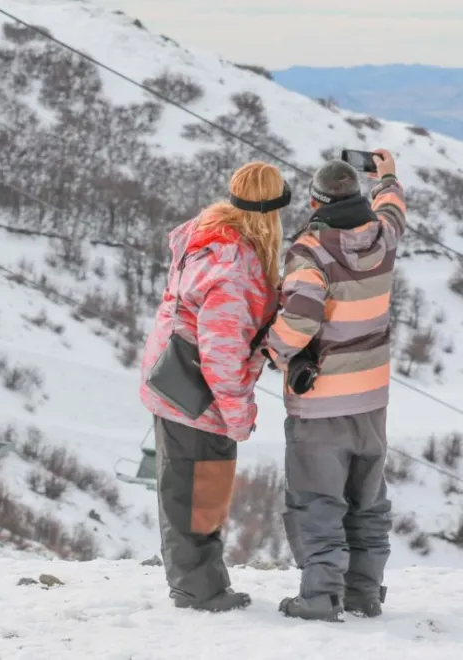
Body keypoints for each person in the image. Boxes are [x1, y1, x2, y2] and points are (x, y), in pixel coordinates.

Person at [265, 149, 406, 621]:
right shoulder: (383, 238)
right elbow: (392, 209)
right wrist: (386, 176)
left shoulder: (310, 253)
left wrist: (274, 350)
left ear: (314, 201)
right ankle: (363, 594)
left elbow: (301, 318)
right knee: (366, 501)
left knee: (317, 503)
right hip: (372, 400)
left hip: (321, 403)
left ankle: (321, 598)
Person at [139, 161, 284, 613]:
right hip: (199, 395)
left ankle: (204, 583)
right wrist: (239, 416)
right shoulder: (234, 265)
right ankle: (197, 590)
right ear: (270, 212)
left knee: (196, 488)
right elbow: (220, 353)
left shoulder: (207, 234)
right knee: (198, 492)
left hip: (173, 379)